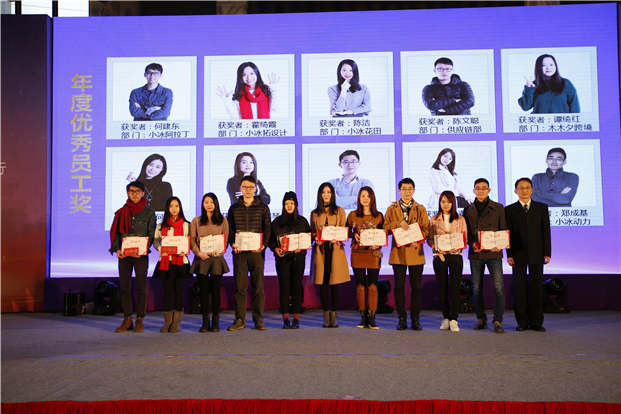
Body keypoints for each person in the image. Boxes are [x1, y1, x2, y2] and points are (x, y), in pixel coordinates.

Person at [108, 180, 156, 333]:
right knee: (124, 287)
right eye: (131, 191)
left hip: (141, 256)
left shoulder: (149, 213)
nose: (134, 194)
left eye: (137, 191)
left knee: (141, 287)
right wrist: (117, 249)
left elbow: (151, 234)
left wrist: (143, 248)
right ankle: (127, 318)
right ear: (128, 193)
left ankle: (140, 318)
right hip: (124, 255)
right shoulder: (122, 211)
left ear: (143, 193)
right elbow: (116, 233)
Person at [383, 178, 429, 330]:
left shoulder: (420, 208)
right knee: (399, 287)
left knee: (417, 287)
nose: (407, 192)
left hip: (416, 251)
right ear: (399, 191)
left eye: (410, 189)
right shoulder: (392, 209)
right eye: (404, 189)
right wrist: (398, 224)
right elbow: (385, 227)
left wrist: (420, 239)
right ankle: (401, 318)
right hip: (398, 252)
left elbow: (426, 228)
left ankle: (415, 319)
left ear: (414, 190)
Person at [506, 178, 551, 332]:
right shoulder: (509, 209)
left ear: (532, 190)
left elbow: (546, 231)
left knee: (536, 288)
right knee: (519, 288)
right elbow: (508, 234)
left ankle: (537, 322)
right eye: (521, 188)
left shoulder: (542, 208)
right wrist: (509, 254)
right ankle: (522, 322)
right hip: (517, 254)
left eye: (527, 187)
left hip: (537, 253)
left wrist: (547, 252)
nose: (524, 190)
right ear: (515, 191)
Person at [227, 175, 271, 331]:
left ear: (255, 189)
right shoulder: (234, 208)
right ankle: (240, 319)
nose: (247, 190)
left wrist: (263, 245)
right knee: (240, 288)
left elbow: (267, 228)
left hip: (256, 253)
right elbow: (230, 229)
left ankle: (258, 319)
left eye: (251, 187)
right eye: (244, 187)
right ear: (240, 188)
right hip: (239, 253)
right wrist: (232, 243)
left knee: (258, 288)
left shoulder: (263, 208)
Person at [463, 178, 507, 333]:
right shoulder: (468, 209)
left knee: (498, 287)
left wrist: (500, 244)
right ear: (474, 190)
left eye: (484, 188)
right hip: (476, 254)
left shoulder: (499, 207)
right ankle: (481, 318)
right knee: (476, 288)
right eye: (478, 188)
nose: (481, 190)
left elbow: (503, 229)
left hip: (494, 253)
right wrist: (472, 243)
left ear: (489, 190)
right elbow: (466, 232)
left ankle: (498, 320)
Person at [310, 182, 350, 328]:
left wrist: (337, 237)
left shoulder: (340, 211)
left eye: (328, 192)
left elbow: (343, 230)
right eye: (323, 192)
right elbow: (312, 231)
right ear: (320, 195)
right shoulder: (314, 213)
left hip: (335, 250)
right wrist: (316, 238)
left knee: (335, 284)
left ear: (332, 195)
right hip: (321, 251)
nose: (326, 195)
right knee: (324, 283)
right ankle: (326, 315)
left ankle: (334, 315)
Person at [269, 192, 311, 329]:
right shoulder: (276, 222)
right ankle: (286, 318)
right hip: (282, 260)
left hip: (298, 259)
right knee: (284, 287)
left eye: (292, 203)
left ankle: (296, 318)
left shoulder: (303, 221)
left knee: (297, 286)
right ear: (283, 205)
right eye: (287, 203)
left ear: (296, 205)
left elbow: (309, 238)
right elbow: (270, 240)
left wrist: (302, 247)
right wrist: (276, 249)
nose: (289, 206)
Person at [428, 191, 468, 332]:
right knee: (442, 287)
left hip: (456, 256)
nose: (446, 204)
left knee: (455, 288)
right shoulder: (434, 219)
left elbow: (465, 238)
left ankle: (454, 319)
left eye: (449, 202)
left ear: (453, 203)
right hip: (440, 257)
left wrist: (458, 245)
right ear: (440, 203)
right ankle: (445, 317)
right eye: (443, 201)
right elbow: (430, 239)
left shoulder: (460, 219)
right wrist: (436, 248)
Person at [190, 193, 229, 333]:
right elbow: (192, 240)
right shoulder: (196, 221)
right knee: (204, 292)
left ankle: (216, 322)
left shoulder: (223, 220)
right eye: (206, 202)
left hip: (217, 260)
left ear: (216, 204)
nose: (209, 204)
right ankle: (205, 323)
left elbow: (225, 240)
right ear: (202, 204)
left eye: (212, 202)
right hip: (202, 259)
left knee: (216, 292)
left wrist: (221, 251)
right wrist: (199, 253)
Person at [347, 187, 384, 329]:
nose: (365, 198)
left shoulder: (379, 216)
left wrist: (378, 243)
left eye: (368, 196)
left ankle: (372, 317)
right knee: (360, 286)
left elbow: (384, 234)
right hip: (358, 253)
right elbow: (346, 231)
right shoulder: (352, 215)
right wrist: (354, 235)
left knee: (373, 286)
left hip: (373, 254)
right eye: (362, 196)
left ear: (372, 198)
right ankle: (363, 317)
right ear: (359, 198)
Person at [153, 197, 191, 333]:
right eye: (171, 206)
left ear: (180, 208)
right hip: (166, 262)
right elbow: (156, 241)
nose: (174, 209)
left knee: (179, 293)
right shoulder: (161, 225)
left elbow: (190, 242)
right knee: (167, 292)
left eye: (176, 206)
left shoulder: (187, 225)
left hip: (181, 262)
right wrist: (160, 249)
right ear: (167, 208)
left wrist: (186, 250)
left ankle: (176, 323)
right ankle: (167, 322)